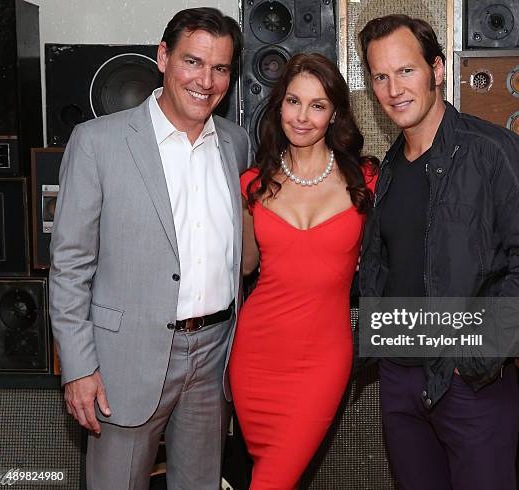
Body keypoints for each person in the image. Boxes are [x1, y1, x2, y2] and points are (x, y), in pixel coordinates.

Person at [357, 15, 519, 490]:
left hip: (469, 384)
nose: (393, 89)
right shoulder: (390, 166)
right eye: (380, 77)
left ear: (437, 69)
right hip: (400, 380)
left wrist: (473, 353)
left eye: (405, 71)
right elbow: (390, 265)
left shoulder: (493, 151)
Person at [49, 8, 250, 489]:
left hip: (215, 354)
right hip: (124, 362)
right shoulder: (98, 142)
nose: (206, 80)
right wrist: (78, 367)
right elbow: (70, 265)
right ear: (163, 57)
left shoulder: (237, 143)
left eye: (220, 68)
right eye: (193, 62)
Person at [228, 53, 378, 489]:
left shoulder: (365, 181)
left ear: (334, 114)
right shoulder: (252, 184)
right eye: (294, 101)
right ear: (279, 106)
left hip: (322, 360)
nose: (303, 116)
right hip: (255, 355)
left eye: (317, 105)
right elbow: (246, 266)